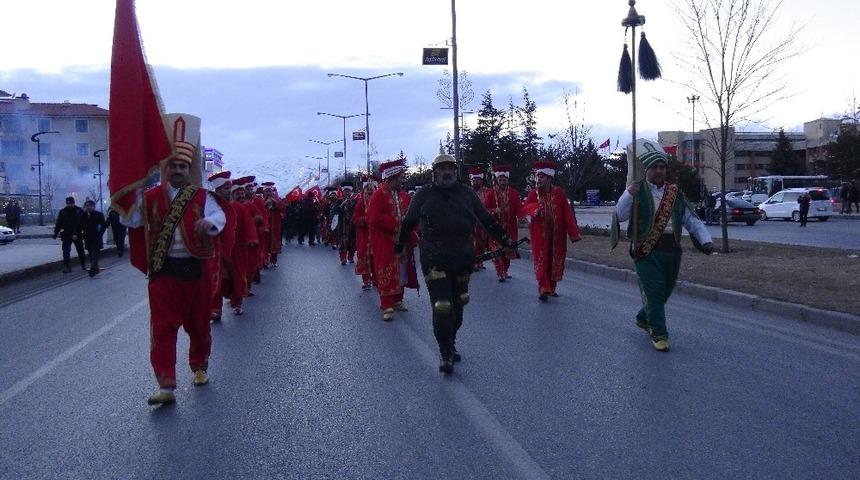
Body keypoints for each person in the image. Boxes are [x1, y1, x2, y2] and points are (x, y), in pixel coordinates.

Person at [120, 114, 226, 405]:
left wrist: (210, 224)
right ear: (165, 168)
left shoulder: (203, 196)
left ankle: (200, 367)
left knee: (199, 325)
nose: (178, 169)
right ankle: (165, 385)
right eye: (173, 165)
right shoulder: (150, 197)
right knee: (163, 330)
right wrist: (126, 193)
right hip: (164, 273)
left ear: (188, 169)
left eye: (183, 166)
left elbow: (220, 216)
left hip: (194, 271)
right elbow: (131, 221)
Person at [397, 153, 513, 373]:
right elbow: (409, 222)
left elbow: (486, 220)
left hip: (462, 256)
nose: (447, 172)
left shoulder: (466, 193)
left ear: (456, 172)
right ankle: (445, 354)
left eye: (451, 168)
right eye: (442, 169)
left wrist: (505, 239)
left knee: (459, 304)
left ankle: (450, 341)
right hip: (434, 257)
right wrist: (400, 247)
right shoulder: (423, 194)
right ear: (435, 173)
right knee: (442, 306)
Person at [611, 139, 714, 352]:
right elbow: (619, 216)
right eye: (654, 167)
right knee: (655, 291)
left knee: (664, 292)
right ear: (646, 169)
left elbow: (691, 219)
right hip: (646, 251)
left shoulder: (674, 193)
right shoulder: (637, 190)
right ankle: (659, 334)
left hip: (672, 251)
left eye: (662, 167)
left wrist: (705, 239)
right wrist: (629, 192)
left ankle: (644, 317)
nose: (659, 171)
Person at [522, 161, 582, 301]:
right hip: (540, 236)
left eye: (542, 177)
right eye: (538, 177)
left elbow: (567, 213)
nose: (539, 180)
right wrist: (536, 209)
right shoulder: (533, 194)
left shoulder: (559, 193)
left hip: (557, 236)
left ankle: (552, 287)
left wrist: (573, 233)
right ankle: (543, 288)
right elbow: (525, 209)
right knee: (542, 260)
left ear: (549, 178)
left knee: (555, 261)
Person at [368, 159, 418, 321]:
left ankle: (398, 299)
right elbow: (374, 217)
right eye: (399, 178)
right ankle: (386, 303)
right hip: (385, 241)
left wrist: (412, 230)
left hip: (403, 242)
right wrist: (397, 222)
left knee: (402, 270)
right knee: (386, 269)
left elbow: (411, 216)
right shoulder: (378, 195)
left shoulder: (404, 196)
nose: (402, 181)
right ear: (391, 178)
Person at [482, 164, 523, 282]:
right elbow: (484, 209)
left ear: (507, 180)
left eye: (504, 180)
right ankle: (501, 273)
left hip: (510, 227)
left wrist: (521, 217)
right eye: (500, 179)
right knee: (498, 251)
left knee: (508, 251)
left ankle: (505, 269)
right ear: (497, 180)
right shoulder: (491, 193)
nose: (502, 182)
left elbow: (519, 208)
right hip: (495, 227)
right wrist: (494, 210)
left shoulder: (514, 193)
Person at [352, 176, 377, 290]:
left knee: (376, 258)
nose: (370, 191)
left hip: (377, 236)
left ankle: (376, 279)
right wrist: (364, 220)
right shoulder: (360, 203)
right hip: (364, 235)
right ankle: (366, 281)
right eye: (368, 189)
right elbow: (355, 219)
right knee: (364, 257)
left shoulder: (379, 202)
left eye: (372, 189)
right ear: (364, 190)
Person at [53, 196, 86, 273]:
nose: (69, 205)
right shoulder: (63, 212)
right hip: (66, 234)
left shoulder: (79, 210)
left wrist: (84, 232)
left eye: (70, 203)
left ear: (73, 203)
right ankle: (67, 266)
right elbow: (59, 223)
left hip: (77, 234)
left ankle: (83, 264)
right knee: (65, 251)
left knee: (80, 250)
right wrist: (56, 232)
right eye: (68, 203)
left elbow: (83, 223)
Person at [468, 167, 490, 271]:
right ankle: (472, 263)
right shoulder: (467, 192)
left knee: (482, 242)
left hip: (483, 221)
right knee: (472, 243)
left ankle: (479, 262)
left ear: (481, 181)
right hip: (470, 221)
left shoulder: (487, 192)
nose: (475, 182)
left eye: (477, 180)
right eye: (473, 180)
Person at [80, 199, 107, 277]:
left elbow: (103, 226)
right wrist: (76, 233)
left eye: (90, 206)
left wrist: (100, 234)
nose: (88, 207)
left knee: (95, 253)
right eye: (87, 206)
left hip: (96, 237)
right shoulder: (83, 216)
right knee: (91, 254)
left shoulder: (99, 214)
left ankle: (92, 270)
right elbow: (79, 226)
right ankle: (95, 268)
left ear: (93, 207)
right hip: (87, 238)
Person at [334, 183, 357, 265]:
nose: (347, 193)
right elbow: (335, 211)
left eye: (348, 191)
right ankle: (343, 258)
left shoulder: (355, 200)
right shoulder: (339, 201)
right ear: (343, 192)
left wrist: (352, 204)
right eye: (345, 191)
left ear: (351, 192)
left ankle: (350, 257)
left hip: (352, 225)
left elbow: (357, 211)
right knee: (342, 242)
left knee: (352, 242)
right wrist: (342, 205)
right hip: (342, 226)